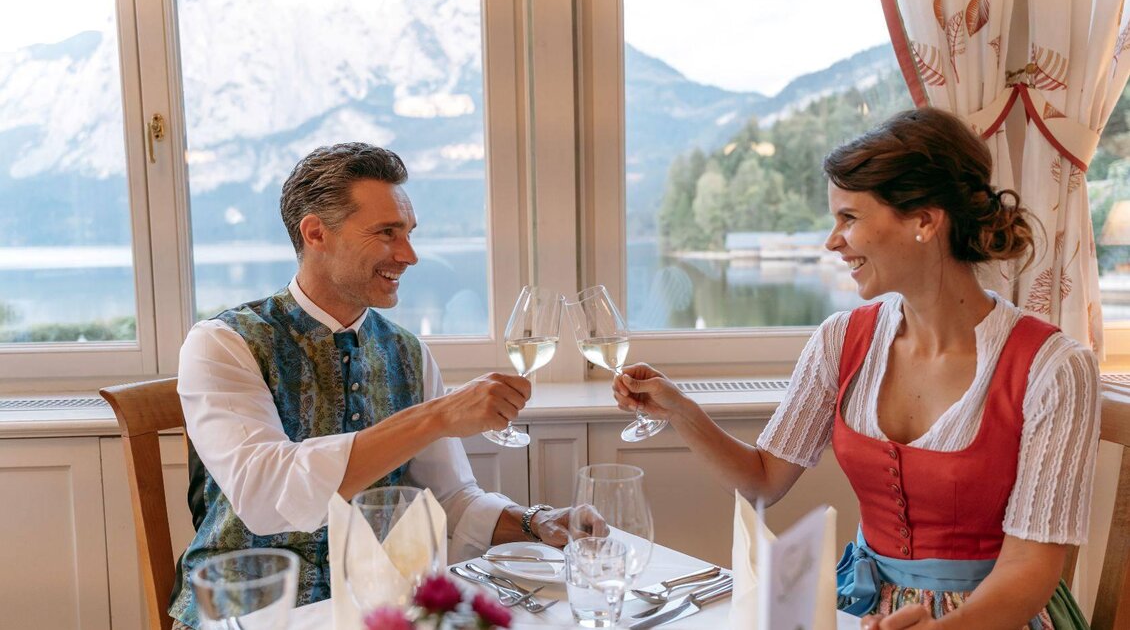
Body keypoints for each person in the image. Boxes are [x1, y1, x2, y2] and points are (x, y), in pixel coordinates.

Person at [613, 107, 1100, 629]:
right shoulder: (841, 340)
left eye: (849, 217)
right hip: (861, 608)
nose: (831, 240)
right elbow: (762, 482)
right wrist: (680, 410)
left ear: (924, 221)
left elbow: (1031, 570)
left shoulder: (1054, 368)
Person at [171, 143, 571, 629]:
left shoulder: (408, 351)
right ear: (316, 232)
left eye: (408, 233)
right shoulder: (222, 343)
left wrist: (533, 522)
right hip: (248, 614)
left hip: (376, 611)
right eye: (387, 233)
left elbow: (449, 500)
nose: (409, 255)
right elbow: (266, 496)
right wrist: (437, 416)